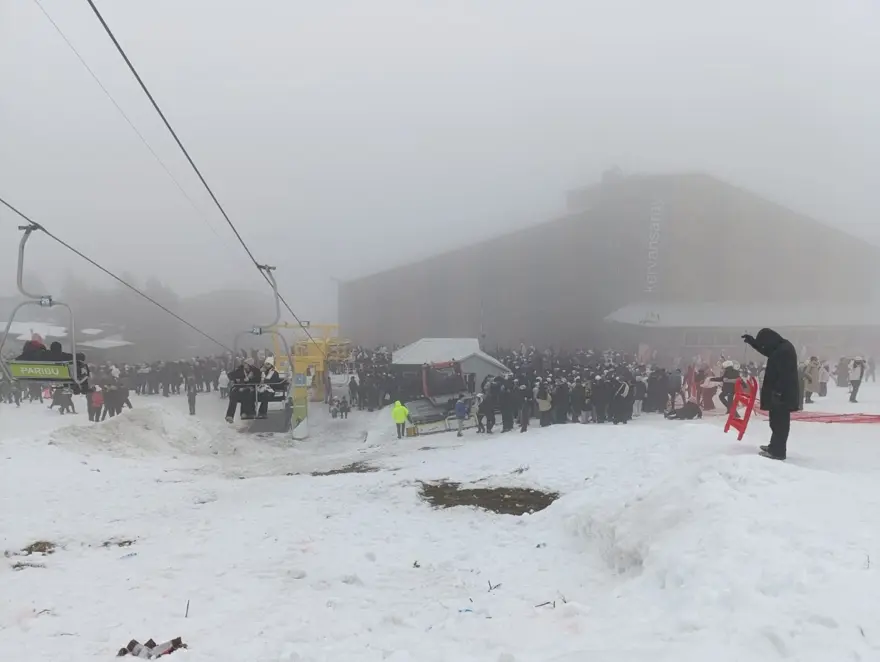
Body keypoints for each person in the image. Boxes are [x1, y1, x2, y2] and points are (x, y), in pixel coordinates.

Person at [742, 328, 799, 461]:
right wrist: (753, 343)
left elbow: (785, 375)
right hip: (779, 393)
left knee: (780, 423)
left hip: (782, 394)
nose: (764, 346)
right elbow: (768, 352)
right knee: (775, 422)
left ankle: (778, 452)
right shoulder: (780, 347)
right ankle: (774, 446)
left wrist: (778, 392)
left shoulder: (784, 351)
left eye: (763, 343)